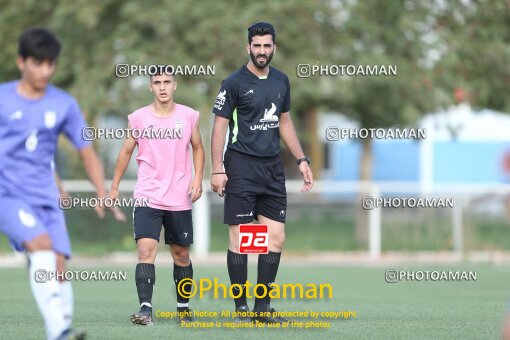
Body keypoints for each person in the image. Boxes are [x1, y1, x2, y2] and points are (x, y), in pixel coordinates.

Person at [0, 28, 124, 340]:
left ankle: (64, 329)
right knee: (40, 246)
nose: (45, 70)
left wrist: (102, 191)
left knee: (58, 266)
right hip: (8, 194)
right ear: (21, 62)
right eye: (38, 63)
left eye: (50, 64)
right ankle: (60, 332)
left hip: (46, 196)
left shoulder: (64, 104)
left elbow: (87, 151)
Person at [210, 22, 314, 324]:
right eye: (256, 46)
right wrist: (217, 168)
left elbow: (285, 122)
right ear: (248, 48)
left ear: (274, 48)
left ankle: (262, 309)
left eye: (267, 46)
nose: (261, 51)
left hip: (272, 169)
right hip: (240, 166)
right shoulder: (233, 82)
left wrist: (302, 159)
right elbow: (218, 126)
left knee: (275, 238)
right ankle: (241, 308)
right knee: (243, 238)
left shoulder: (281, 81)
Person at [109, 71, 205, 326]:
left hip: (179, 197)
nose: (162, 87)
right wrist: (114, 187)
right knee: (145, 251)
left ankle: (183, 308)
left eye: (166, 83)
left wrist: (197, 179)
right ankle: (145, 309)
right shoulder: (139, 118)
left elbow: (198, 147)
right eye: (157, 83)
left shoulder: (188, 115)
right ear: (151, 87)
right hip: (147, 196)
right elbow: (125, 152)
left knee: (181, 255)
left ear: (174, 85)